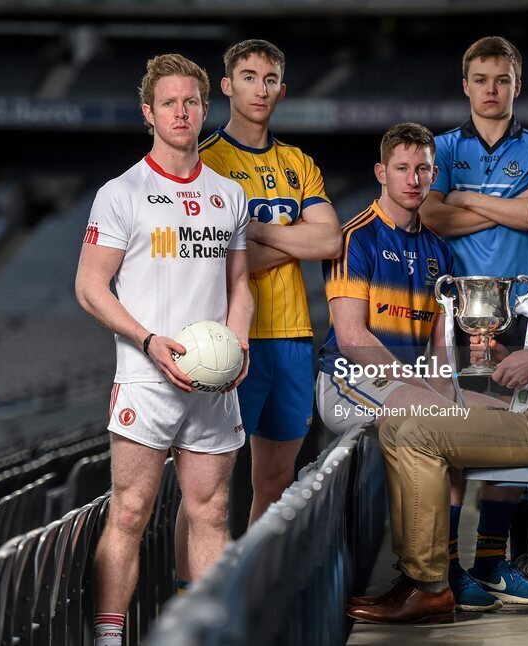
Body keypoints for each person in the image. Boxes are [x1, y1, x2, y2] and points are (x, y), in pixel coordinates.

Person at [347, 162, 528, 625]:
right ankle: (421, 574)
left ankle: (429, 585)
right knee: (399, 423)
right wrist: (508, 355)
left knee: (418, 432)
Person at [75, 54, 252, 646]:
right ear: (149, 112)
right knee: (129, 512)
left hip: (213, 381)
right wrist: (149, 342)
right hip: (147, 377)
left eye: (192, 102)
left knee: (211, 512)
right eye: (170, 103)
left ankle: (205, 635)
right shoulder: (121, 193)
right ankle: (108, 637)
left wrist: (241, 344)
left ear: (206, 109)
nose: (182, 112)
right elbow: (89, 286)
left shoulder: (229, 194)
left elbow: (240, 288)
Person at [319, 123, 512, 620]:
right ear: (382, 173)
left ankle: (441, 575)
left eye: (423, 168)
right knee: (438, 416)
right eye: (402, 168)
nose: (414, 179)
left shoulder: (438, 252)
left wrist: (453, 390)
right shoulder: (353, 238)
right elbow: (354, 338)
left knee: (491, 414)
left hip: (410, 385)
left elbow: (439, 347)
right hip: (347, 381)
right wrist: (430, 390)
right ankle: (422, 584)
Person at [421, 35, 528, 606]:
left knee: (515, 439)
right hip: (454, 314)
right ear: (465, 86)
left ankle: (498, 562)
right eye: (481, 79)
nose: (491, 89)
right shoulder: (442, 147)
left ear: (517, 85)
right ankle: (457, 568)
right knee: (452, 439)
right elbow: (431, 215)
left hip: (522, 315)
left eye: (502, 79)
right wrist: (502, 207)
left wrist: (468, 201)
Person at [196, 39, 342, 542]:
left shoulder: (298, 163)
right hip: (230, 339)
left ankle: (252, 589)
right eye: (250, 76)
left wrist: (257, 232)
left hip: (293, 339)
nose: (261, 88)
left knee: (277, 480)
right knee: (208, 490)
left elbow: (329, 238)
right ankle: (192, 597)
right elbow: (217, 261)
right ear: (228, 85)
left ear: (283, 90)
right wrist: (294, 239)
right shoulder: (205, 161)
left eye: (271, 79)